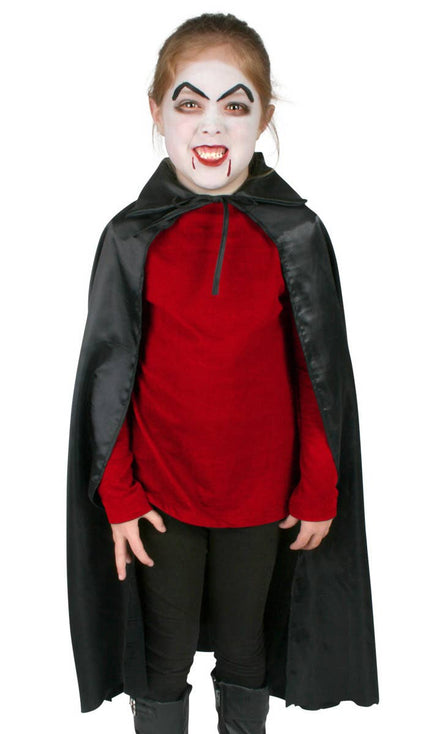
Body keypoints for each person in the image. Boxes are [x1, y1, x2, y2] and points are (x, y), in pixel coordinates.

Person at [66, 12, 379, 734]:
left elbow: (318, 374)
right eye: (190, 103)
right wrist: (118, 493)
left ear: (263, 117)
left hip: (262, 499)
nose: (212, 125)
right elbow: (110, 379)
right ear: (157, 112)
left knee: (246, 650)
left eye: (235, 105)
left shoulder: (295, 232)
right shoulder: (131, 237)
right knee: (161, 657)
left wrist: (319, 485)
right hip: (161, 498)